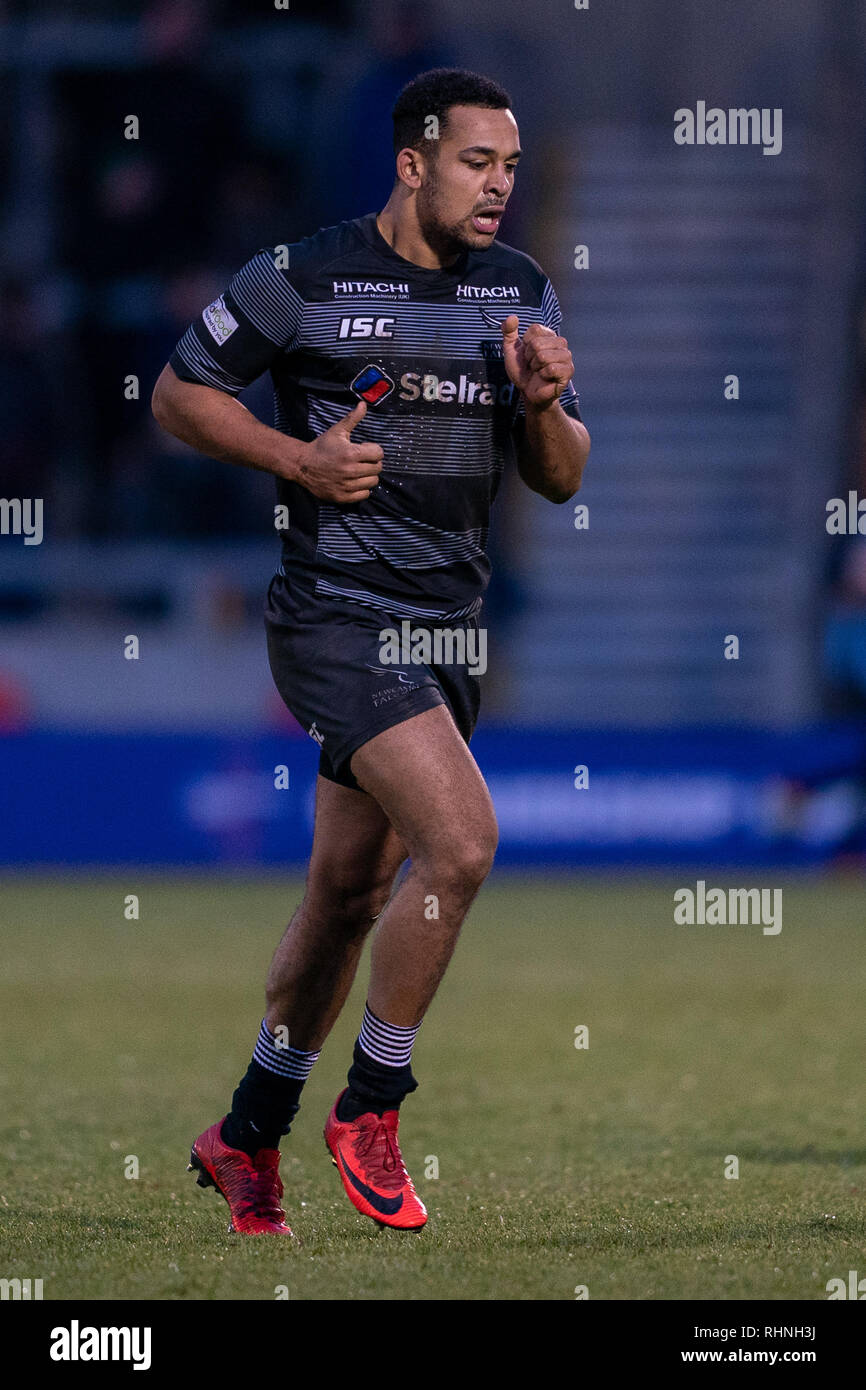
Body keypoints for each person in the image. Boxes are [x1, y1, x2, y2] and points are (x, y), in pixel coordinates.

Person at [151, 68, 590, 1235]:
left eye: (508, 165)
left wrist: (545, 404)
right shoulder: (302, 277)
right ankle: (373, 1101)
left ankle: (244, 1133)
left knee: (347, 894)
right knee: (462, 845)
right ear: (412, 162)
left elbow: (559, 479)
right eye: (474, 163)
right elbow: (177, 395)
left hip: (448, 628)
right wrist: (296, 463)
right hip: (336, 617)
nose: (499, 186)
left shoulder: (518, 289)